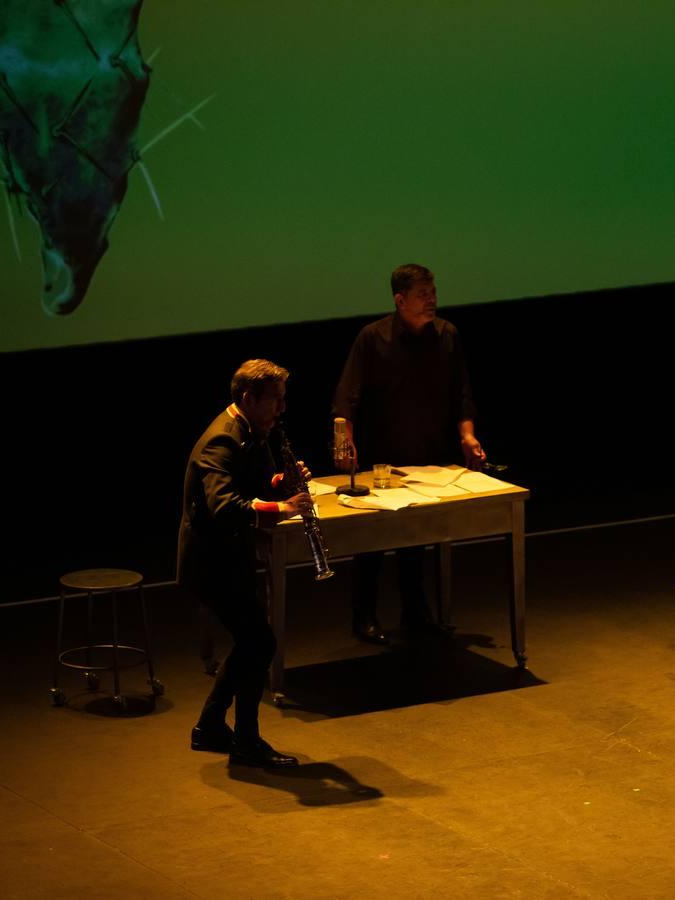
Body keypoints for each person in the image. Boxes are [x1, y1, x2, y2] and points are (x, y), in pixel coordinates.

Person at [332, 264, 485, 644]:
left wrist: (467, 436)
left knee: (417, 538)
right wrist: (344, 442)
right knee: (370, 542)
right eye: (423, 294)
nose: (431, 300)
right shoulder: (373, 338)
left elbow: (462, 393)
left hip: (430, 455)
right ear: (400, 300)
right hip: (381, 457)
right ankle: (363, 616)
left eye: (433, 292)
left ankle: (416, 614)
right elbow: (347, 398)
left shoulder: (447, 335)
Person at [179, 359, 310, 767]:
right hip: (211, 562)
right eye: (276, 400)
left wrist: (279, 483)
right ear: (249, 399)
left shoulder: (252, 430)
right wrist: (282, 507)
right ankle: (246, 741)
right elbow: (224, 506)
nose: (282, 409)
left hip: (229, 558)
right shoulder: (223, 440)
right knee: (260, 642)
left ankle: (212, 726)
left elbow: (249, 482)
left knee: (253, 642)